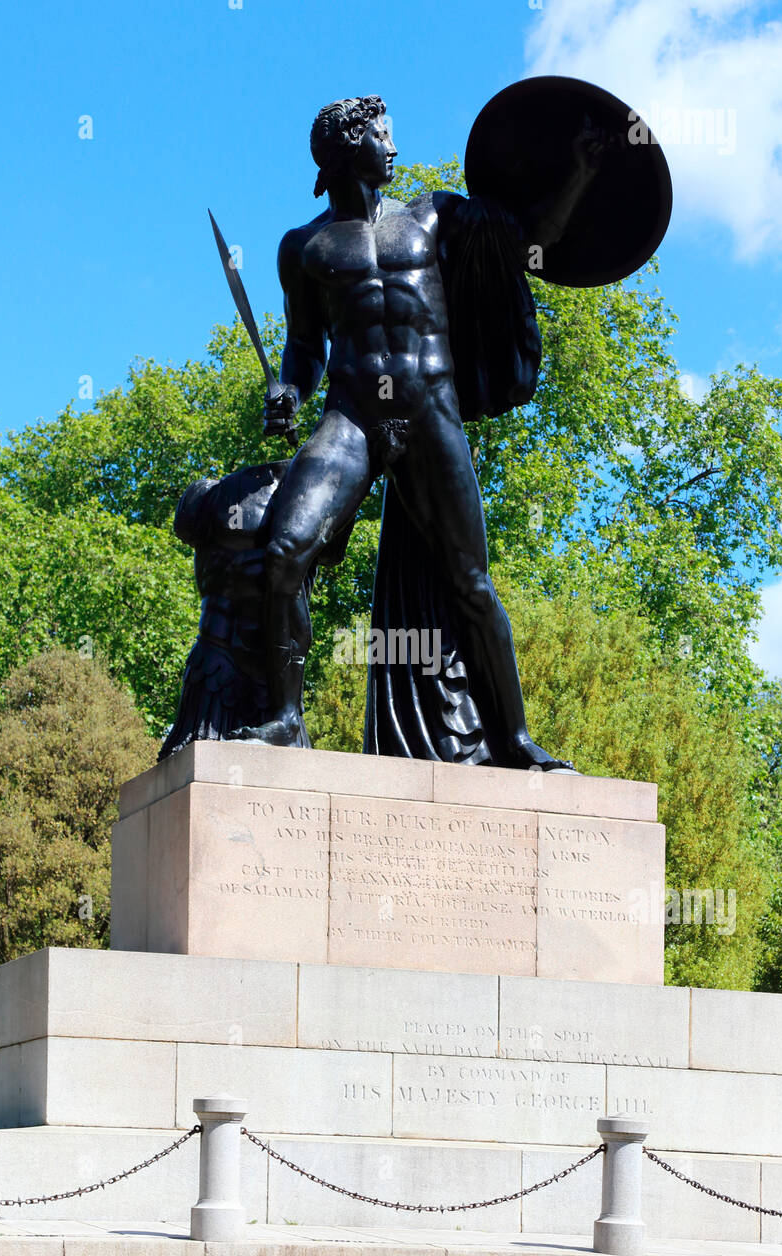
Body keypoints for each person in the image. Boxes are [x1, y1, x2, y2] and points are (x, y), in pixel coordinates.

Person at [255, 95, 599, 769]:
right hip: (352, 414)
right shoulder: (305, 247)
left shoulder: (432, 215)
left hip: (430, 408)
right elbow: (304, 346)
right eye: (383, 137)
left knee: (471, 580)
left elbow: (531, 241)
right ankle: (282, 720)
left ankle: (518, 740)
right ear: (348, 147)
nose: (394, 148)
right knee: (284, 550)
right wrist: (288, 389)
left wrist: (581, 173)